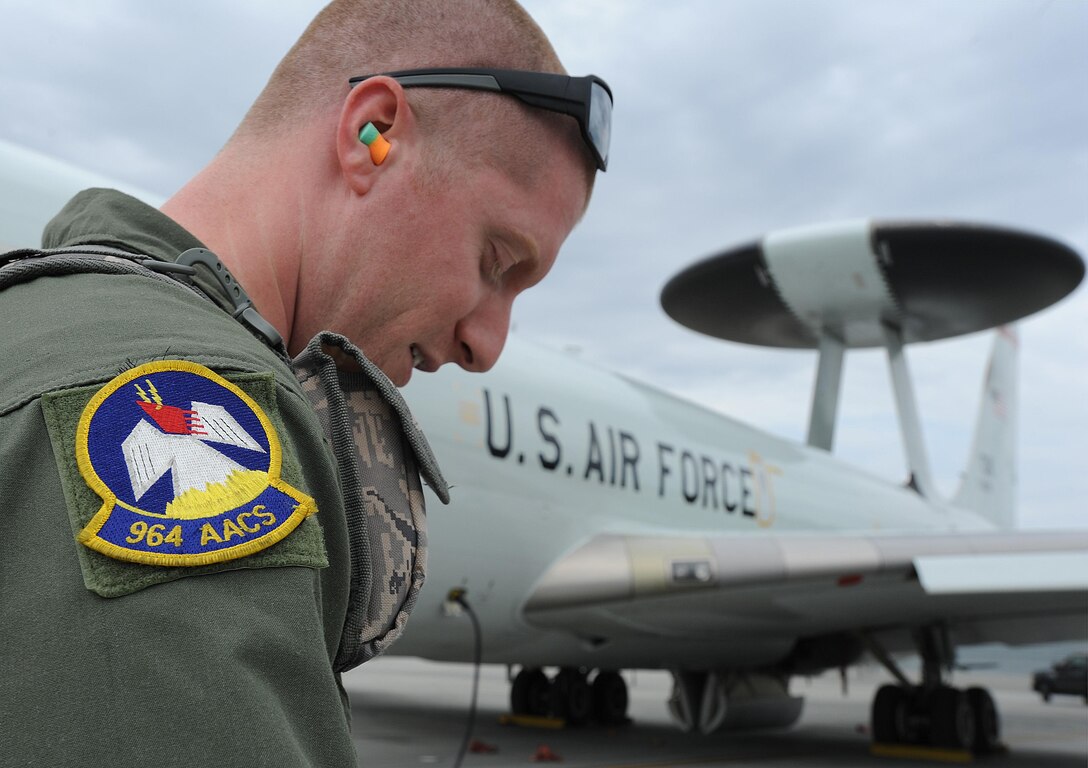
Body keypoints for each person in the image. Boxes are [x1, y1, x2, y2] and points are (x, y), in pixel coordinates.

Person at [0, 1, 610, 765]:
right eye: (497, 261)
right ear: (374, 136)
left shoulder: (37, 334)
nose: (487, 345)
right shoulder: (190, 395)